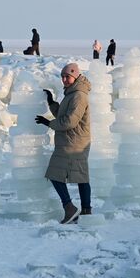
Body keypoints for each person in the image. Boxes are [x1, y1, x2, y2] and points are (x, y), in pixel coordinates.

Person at [35, 63, 92, 224]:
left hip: (73, 142)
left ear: (75, 76)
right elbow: (63, 114)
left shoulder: (79, 95)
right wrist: (52, 102)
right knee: (81, 176)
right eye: (63, 77)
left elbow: (69, 121)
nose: (65, 80)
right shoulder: (72, 93)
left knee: (54, 173)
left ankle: (69, 207)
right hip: (74, 140)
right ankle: (86, 211)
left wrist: (48, 123)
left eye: (68, 76)